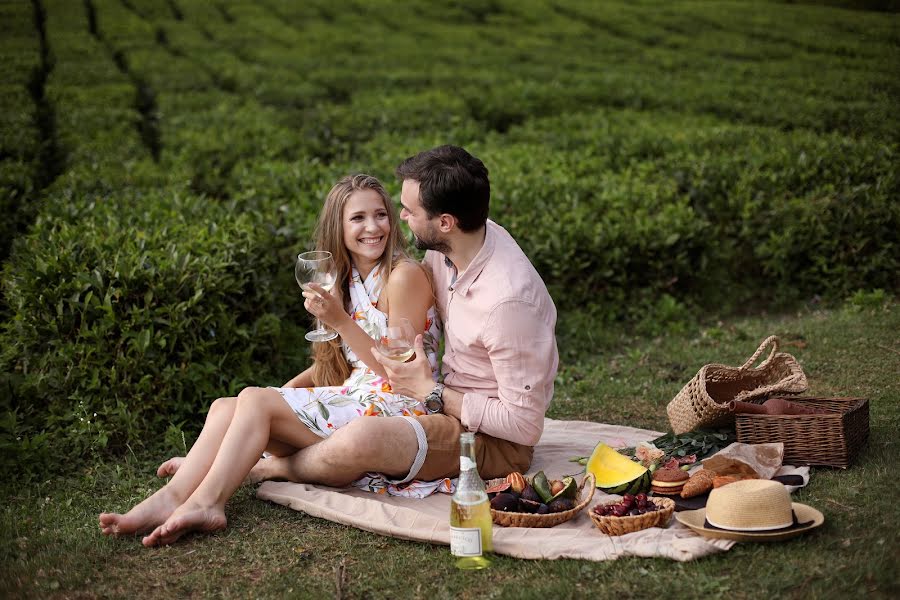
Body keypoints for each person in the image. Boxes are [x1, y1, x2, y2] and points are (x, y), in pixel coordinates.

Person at [98, 174, 441, 546]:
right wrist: (280, 393)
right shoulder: (348, 279)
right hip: (360, 394)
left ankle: (207, 501)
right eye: (358, 218)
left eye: (380, 215)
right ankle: (172, 496)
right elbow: (346, 363)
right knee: (226, 407)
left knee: (255, 400)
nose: (372, 227)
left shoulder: (403, 276)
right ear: (337, 228)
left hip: (402, 406)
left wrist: (339, 321)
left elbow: (399, 372)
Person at [250, 144, 559, 492]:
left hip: (494, 441)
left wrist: (433, 392)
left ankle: (272, 468)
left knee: (362, 437)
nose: (402, 218)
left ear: (444, 223)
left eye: (410, 211)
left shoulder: (508, 304)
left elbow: (525, 426)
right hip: (444, 409)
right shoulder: (454, 243)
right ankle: (251, 457)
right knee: (275, 414)